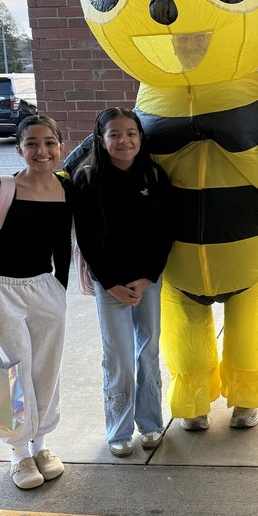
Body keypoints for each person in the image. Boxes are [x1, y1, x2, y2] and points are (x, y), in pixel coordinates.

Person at [0, 115, 72, 489]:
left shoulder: (65, 190)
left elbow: (62, 248)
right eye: (32, 143)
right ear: (19, 148)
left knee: (46, 368)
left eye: (49, 143)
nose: (41, 151)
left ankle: (41, 443)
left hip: (44, 290)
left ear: (61, 148)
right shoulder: (3, 187)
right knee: (9, 373)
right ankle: (18, 453)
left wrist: (58, 292)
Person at [72, 108, 172, 457]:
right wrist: (111, 284)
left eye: (131, 133)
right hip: (110, 285)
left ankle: (150, 422)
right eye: (114, 134)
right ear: (101, 140)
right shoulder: (87, 180)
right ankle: (118, 430)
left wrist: (147, 278)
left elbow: (164, 233)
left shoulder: (155, 176)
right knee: (118, 357)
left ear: (140, 138)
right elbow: (86, 240)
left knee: (149, 351)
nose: (124, 141)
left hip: (148, 283)